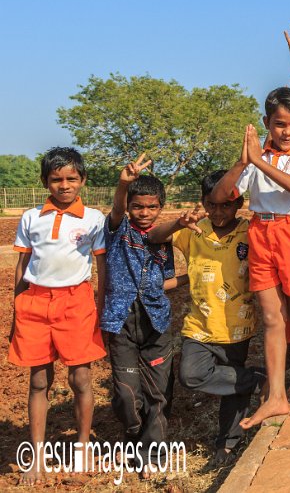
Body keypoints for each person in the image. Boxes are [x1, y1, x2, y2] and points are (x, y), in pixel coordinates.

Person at [210, 87, 290, 428]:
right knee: (272, 317)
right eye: (279, 124)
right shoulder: (256, 156)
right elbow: (221, 195)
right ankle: (276, 396)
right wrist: (245, 161)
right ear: (266, 123)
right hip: (260, 233)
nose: (287, 132)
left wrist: (258, 163)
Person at [10, 148, 107, 484]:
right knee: (38, 381)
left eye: (71, 179)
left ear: (82, 180)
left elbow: (101, 267)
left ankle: (82, 446)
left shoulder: (94, 218)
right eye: (56, 179)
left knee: (80, 379)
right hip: (34, 303)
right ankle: (35, 454)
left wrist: (102, 306)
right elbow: (22, 269)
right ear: (45, 182)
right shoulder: (30, 217)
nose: (64, 185)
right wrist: (15, 311)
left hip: (76, 302)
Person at [157, 171, 264, 465]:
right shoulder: (194, 230)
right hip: (199, 326)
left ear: (238, 203)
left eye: (226, 205)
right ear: (203, 203)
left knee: (233, 390)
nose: (218, 212)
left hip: (237, 326)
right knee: (192, 375)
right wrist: (177, 222)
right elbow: (156, 235)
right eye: (211, 205)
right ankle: (257, 379)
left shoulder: (249, 231)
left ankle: (227, 443)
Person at [100, 156, 179, 473]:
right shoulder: (118, 231)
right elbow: (117, 209)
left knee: (159, 395)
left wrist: (190, 279)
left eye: (151, 207)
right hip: (121, 324)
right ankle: (133, 435)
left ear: (160, 207)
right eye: (138, 207)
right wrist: (123, 183)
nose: (144, 213)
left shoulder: (163, 241)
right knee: (125, 395)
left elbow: (166, 279)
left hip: (156, 323)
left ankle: (153, 455)